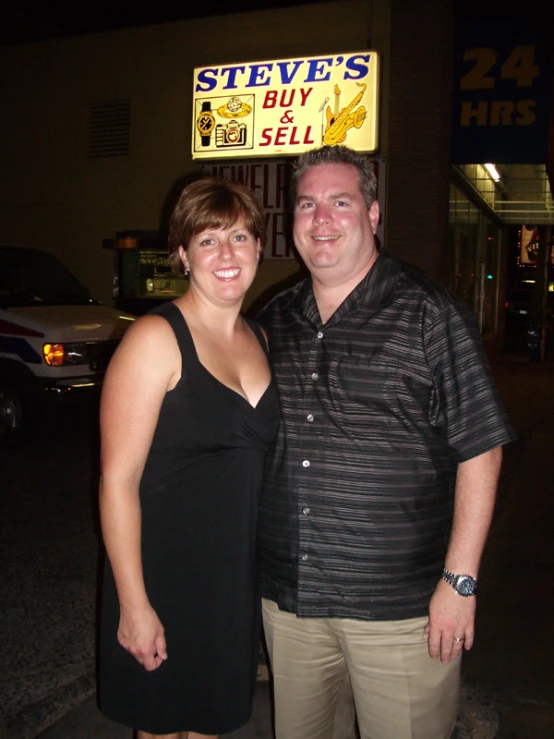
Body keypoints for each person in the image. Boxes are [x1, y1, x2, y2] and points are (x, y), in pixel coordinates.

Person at [257, 145, 516, 739]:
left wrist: (460, 582)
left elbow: (481, 446)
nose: (321, 219)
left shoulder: (429, 314)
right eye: (306, 204)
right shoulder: (271, 320)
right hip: (293, 604)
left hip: (402, 613)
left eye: (340, 202)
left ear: (373, 215)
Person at [98, 177, 280, 739]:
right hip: (161, 576)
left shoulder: (262, 339)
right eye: (208, 240)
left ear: (257, 247)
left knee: (210, 726)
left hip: (231, 583)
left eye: (241, 237)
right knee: (160, 728)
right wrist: (134, 604)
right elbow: (116, 482)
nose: (227, 254)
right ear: (182, 253)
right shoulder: (155, 338)